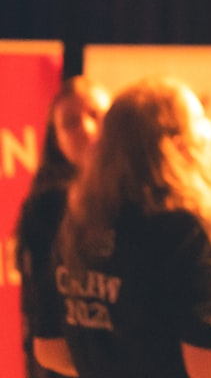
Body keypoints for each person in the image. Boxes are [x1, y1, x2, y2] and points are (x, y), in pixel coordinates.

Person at [33, 76, 211, 378]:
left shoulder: (80, 226)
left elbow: (52, 349)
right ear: (179, 147)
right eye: (200, 120)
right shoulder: (190, 232)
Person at [16, 76, 110, 378]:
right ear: (56, 140)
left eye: (95, 115)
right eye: (70, 122)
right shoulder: (48, 207)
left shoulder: (142, 199)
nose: (85, 127)